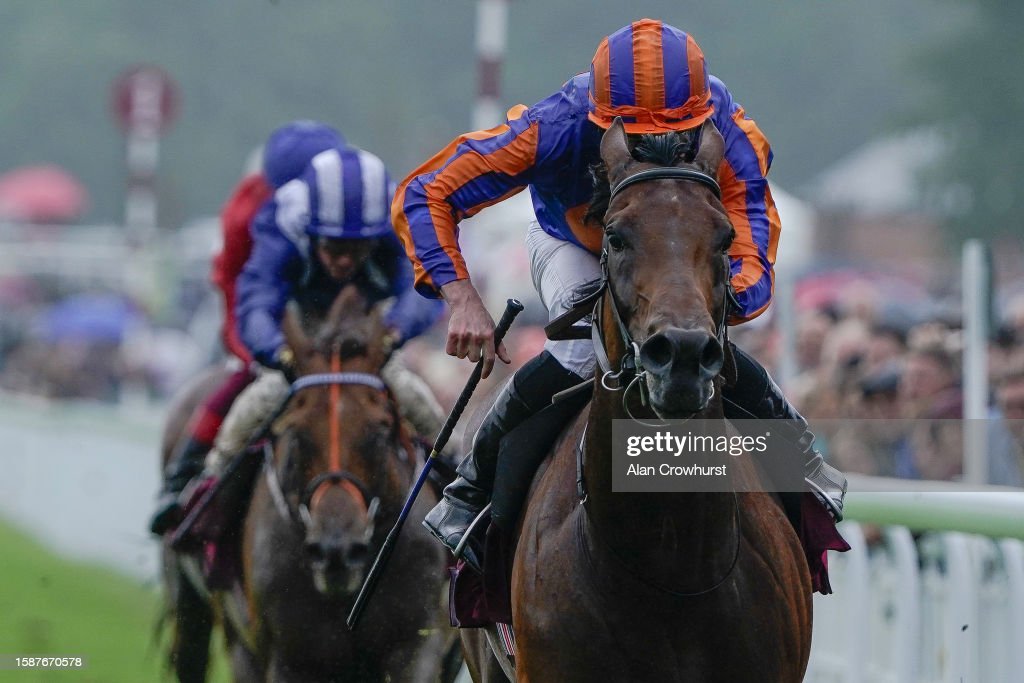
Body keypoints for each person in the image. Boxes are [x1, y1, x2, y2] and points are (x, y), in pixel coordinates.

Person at [392, 19, 847, 571]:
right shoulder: (557, 123)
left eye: (677, 132)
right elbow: (428, 190)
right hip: (575, 239)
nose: (658, 145)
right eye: (636, 132)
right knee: (584, 351)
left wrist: (725, 299)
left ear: (702, 116)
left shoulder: (727, 123)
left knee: (699, 337)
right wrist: (460, 295)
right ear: (601, 120)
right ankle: (473, 485)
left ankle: (793, 457)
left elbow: (752, 224)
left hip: (679, 243)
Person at [150, 121, 346, 535]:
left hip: (334, 324)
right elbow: (236, 282)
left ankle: (449, 476)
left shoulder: (349, 199)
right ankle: (187, 478)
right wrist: (259, 348)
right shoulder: (248, 211)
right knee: (248, 387)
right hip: (265, 320)